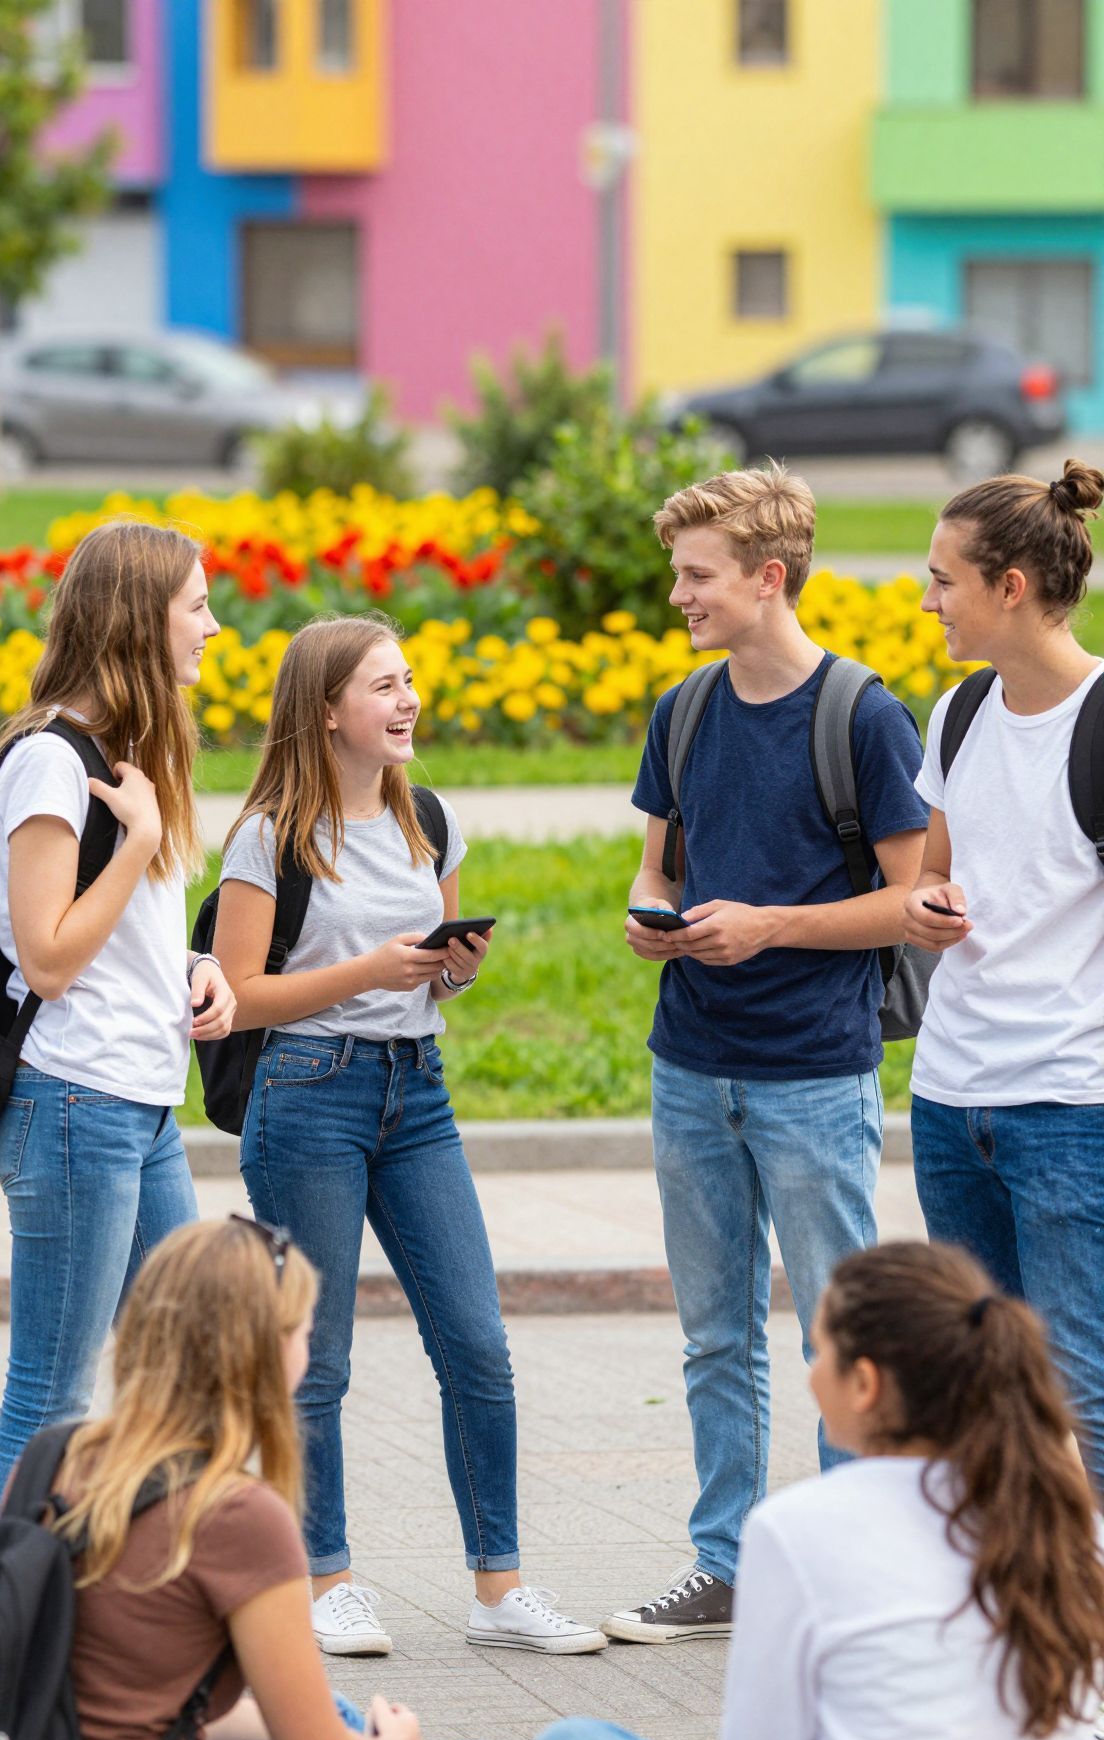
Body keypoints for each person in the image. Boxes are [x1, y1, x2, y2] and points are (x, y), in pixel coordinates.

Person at [528, 1240, 1104, 1740]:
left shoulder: (801, 1529)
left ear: (864, 1384)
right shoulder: (1070, 1523)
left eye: (821, 1350)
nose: (810, 1372)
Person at [211, 614, 604, 1658]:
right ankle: (323, 1576)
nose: (406, 699)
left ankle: (499, 1585)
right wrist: (365, 972)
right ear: (327, 710)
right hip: (307, 1093)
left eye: (409, 679)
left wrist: (451, 966)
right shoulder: (267, 838)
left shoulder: (428, 815)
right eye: (383, 685)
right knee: (317, 1358)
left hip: (416, 1093)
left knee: (477, 1340)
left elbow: (440, 961)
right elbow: (236, 996)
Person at [604, 467, 927, 1645]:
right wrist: (655, 914)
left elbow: (915, 903)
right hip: (689, 1061)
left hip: (812, 1069)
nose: (679, 594)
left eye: (697, 575)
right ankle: (726, 1563)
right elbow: (661, 865)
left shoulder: (864, 716)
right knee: (715, 1330)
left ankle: (856, 1574)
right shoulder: (683, 709)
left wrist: (770, 926)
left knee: (841, 1331)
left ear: (767, 577)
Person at [40, 1216, 529, 1740]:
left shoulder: (58, 1457)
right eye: (301, 1329)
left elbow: (116, 1697)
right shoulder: (237, 1514)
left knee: (314, 1713)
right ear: (262, 1354)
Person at [0, 522, 237, 1522]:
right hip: (74, 1100)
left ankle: (129, 1607)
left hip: (135, 1103)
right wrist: (137, 844)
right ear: (142, 619)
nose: (213, 626)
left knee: (187, 1368)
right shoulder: (53, 762)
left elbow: (110, 939)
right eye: (198, 605)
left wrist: (192, 968)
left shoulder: (122, 758)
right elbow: (44, 953)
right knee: (51, 1397)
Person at [905, 460, 1104, 1495]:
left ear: (1012, 586)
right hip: (950, 1097)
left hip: (1070, 1103)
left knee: (1081, 1385)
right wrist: (926, 906)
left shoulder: (1100, 719)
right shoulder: (962, 711)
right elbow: (934, 873)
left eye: (944, 580)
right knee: (985, 1376)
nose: (929, 600)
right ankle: (1016, 1613)